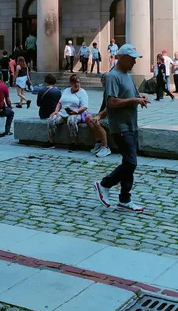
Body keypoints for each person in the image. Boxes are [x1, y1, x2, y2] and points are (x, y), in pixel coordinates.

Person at [94, 44, 149, 212]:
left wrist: (138, 98)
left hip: (132, 125)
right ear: (122, 58)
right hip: (121, 126)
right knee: (131, 162)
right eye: (132, 59)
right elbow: (111, 102)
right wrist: (134, 101)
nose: (134, 62)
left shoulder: (127, 75)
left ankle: (125, 198)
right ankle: (104, 184)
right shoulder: (112, 76)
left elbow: (128, 96)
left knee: (128, 162)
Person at [47, 73, 89, 147]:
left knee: (71, 120)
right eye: (74, 82)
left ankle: (74, 142)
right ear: (70, 83)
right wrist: (56, 111)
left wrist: (76, 111)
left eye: (78, 82)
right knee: (52, 119)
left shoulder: (83, 92)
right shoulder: (66, 90)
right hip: (63, 112)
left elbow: (84, 106)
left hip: (77, 113)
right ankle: (51, 141)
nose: (76, 84)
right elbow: (60, 103)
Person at [85, 74, 111, 158]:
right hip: (104, 114)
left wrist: (99, 116)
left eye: (102, 79)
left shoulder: (110, 90)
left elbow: (110, 107)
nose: (101, 81)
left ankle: (105, 147)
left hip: (111, 117)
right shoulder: (106, 90)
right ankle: (99, 142)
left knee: (96, 122)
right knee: (88, 118)